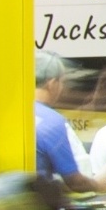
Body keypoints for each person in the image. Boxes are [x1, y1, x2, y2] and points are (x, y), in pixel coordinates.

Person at [30, 54, 84, 182]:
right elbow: (74, 181)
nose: (62, 88)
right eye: (62, 82)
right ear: (52, 83)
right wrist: (100, 185)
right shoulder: (52, 120)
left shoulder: (10, 111)